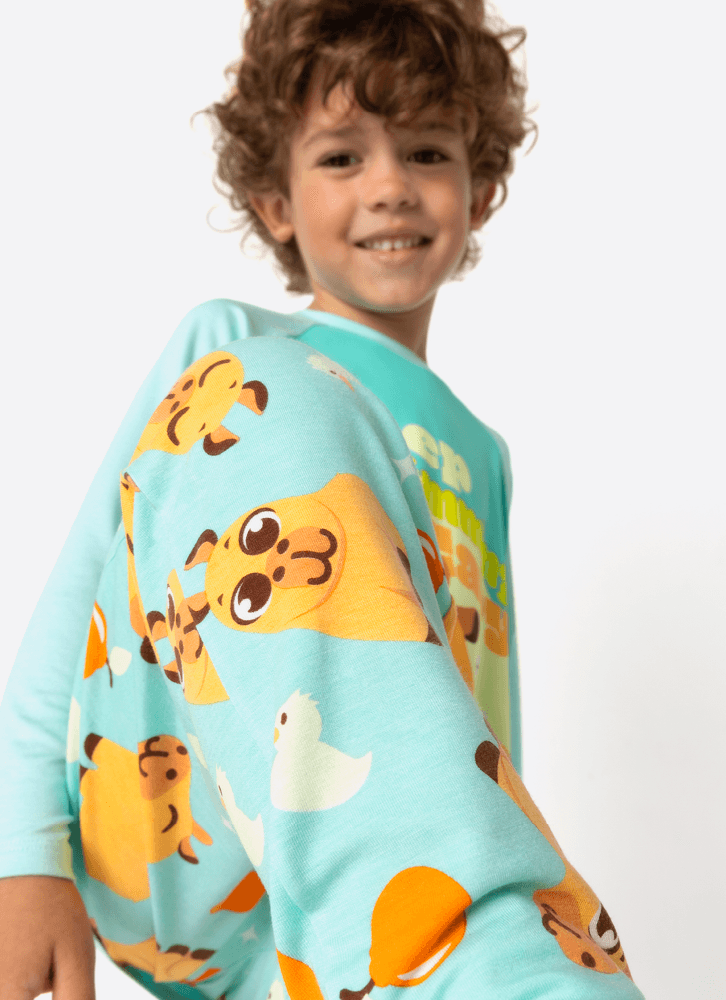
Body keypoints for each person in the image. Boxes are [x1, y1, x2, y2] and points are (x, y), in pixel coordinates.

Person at [0, 1, 646, 997]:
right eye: (342, 158)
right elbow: (80, 601)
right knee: (270, 393)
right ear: (275, 203)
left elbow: (470, 705)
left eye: (428, 153)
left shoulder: (482, 454)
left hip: (338, 930)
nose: (390, 187)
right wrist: (23, 853)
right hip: (173, 818)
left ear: (481, 191)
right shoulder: (238, 353)